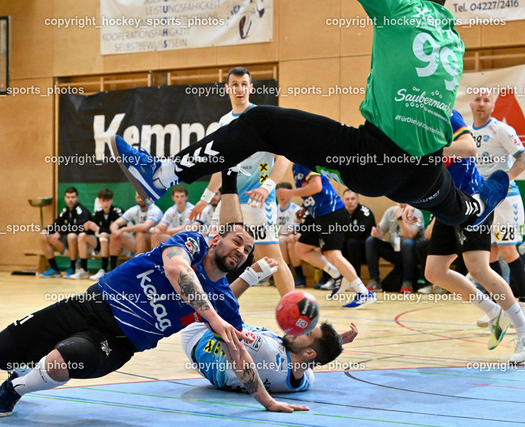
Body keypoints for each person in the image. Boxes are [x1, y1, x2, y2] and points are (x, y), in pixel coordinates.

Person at [111, 0, 509, 234]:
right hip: (424, 172)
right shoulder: (454, 41)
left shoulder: (398, 10)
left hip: (373, 162)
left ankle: (161, 175)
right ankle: (476, 209)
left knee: (260, 123)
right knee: (455, 206)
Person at [0, 173, 308, 417]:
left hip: (117, 341)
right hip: (87, 306)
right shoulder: (191, 243)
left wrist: (267, 400)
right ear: (216, 240)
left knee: (62, 361)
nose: (241, 251)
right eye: (237, 241)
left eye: (248, 250)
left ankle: (15, 388)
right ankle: (22, 370)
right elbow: (177, 270)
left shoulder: (225, 301)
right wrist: (212, 318)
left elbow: (239, 356)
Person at [417, 110, 525, 364]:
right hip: (446, 204)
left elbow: (468, 149)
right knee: (434, 271)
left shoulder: (445, 114)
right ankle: (494, 311)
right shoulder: (410, 128)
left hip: (473, 199)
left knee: (478, 267)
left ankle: (522, 330)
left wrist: (428, 153)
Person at [189, 67, 295, 297]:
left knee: (272, 259)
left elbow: (284, 157)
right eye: (235, 84)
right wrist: (205, 199)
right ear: (227, 89)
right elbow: (221, 166)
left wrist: (266, 187)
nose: (240, 89)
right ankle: (209, 309)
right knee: (212, 252)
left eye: (244, 84)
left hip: (258, 202)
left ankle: (297, 313)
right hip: (229, 202)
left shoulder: (261, 118)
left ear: (251, 88)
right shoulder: (224, 122)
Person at [278, 164, 376, 309]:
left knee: (332, 253)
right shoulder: (296, 166)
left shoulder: (305, 161)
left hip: (331, 212)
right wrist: (305, 207)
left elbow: (316, 186)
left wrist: (290, 193)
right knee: (301, 248)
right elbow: (312, 191)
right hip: (318, 214)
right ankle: (336, 274)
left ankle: (363, 292)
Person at [183, 321, 357, 393]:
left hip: (198, 333)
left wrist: (252, 276)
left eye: (307, 332)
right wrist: (336, 343)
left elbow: (218, 315)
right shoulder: (303, 381)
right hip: (205, 358)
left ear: (309, 353)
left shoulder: (266, 351)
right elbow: (312, 359)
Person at [470, 89, 525, 312]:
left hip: (506, 199)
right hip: (483, 200)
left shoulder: (501, 130)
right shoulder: (466, 133)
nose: (481, 103)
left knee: (508, 251)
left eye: (486, 100)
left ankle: (523, 301)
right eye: (477, 99)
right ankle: (502, 305)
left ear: (493, 106)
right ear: (471, 104)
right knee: (490, 253)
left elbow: (522, 158)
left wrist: (503, 180)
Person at [366, 203, 425, 293]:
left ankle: (407, 283)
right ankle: (374, 281)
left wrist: (400, 217)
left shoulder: (416, 213)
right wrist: (376, 234)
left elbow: (410, 236)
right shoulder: (390, 211)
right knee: (371, 241)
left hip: (412, 254)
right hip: (395, 250)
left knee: (407, 243)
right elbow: (381, 232)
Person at [68, 188, 123, 280]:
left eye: (108, 200)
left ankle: (105, 269)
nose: (105, 203)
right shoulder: (98, 213)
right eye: (103, 201)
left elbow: (120, 230)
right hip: (102, 243)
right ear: (99, 201)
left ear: (112, 200)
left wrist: (99, 229)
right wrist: (87, 228)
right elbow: (92, 231)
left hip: (117, 243)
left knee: (104, 235)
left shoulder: (117, 211)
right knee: (82, 236)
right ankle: (84, 270)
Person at [39, 187, 91, 278]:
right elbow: (56, 224)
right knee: (44, 235)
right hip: (67, 245)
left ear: (77, 198)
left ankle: (73, 267)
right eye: (68, 197)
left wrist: (61, 231)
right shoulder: (65, 211)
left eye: (73, 197)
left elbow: (79, 228)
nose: (70, 200)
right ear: (65, 198)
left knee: (71, 236)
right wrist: (46, 230)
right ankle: (54, 268)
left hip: (83, 245)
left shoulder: (82, 211)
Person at [108, 193, 163, 265]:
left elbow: (145, 227)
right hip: (139, 242)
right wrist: (115, 232)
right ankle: (112, 268)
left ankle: (138, 265)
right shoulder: (134, 209)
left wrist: (124, 229)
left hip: (154, 243)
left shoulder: (154, 210)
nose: (141, 199)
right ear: (135, 198)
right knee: (115, 235)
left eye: (143, 197)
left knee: (141, 234)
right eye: (138, 197)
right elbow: (115, 224)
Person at [276, 182, 306, 287]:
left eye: (284, 193)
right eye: (279, 193)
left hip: (293, 237)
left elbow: (294, 229)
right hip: (280, 237)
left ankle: (299, 276)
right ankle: (285, 275)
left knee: (288, 240)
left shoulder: (296, 210)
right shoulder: (274, 209)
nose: (282, 197)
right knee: (281, 240)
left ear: (290, 194)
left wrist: (282, 232)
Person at [341, 189, 375, 278]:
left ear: (358, 200)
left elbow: (358, 232)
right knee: (331, 243)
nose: (350, 202)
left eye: (353, 199)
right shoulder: (340, 213)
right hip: (346, 248)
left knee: (352, 242)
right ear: (343, 201)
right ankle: (332, 279)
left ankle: (355, 279)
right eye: (347, 199)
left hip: (365, 250)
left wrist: (346, 231)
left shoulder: (365, 212)